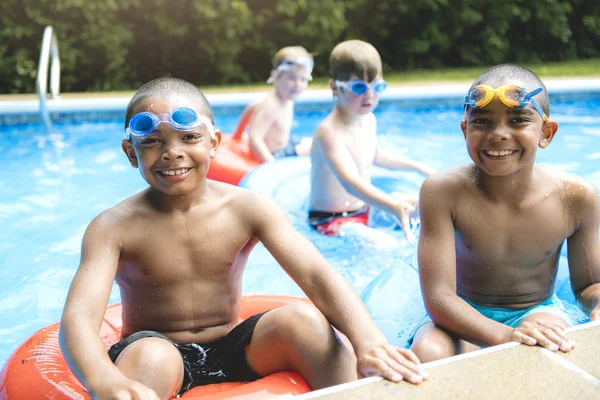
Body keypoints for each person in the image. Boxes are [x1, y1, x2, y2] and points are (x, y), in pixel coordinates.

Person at [59, 77, 428, 400]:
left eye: (189, 138)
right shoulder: (113, 226)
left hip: (235, 345)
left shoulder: (247, 208)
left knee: (305, 321)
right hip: (156, 345)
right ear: (130, 152)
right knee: (152, 358)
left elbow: (316, 274)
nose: (173, 153)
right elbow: (79, 319)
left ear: (214, 143)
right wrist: (102, 379)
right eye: (153, 141)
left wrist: (368, 340)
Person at [410, 64, 600, 363]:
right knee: (428, 353)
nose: (498, 134)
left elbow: (589, 285)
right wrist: (502, 336)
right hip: (462, 311)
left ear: (546, 133)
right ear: (465, 130)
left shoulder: (576, 198)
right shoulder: (442, 192)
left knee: (548, 339)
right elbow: (439, 297)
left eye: (517, 120)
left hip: (536, 310)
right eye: (482, 122)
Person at [309, 40, 436, 240]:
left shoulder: (368, 120)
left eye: (377, 86)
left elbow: (376, 156)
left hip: (366, 208)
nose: (369, 95)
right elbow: (350, 182)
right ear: (334, 86)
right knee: (384, 246)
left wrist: (418, 167)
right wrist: (393, 206)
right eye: (358, 87)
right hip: (331, 220)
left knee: (435, 202)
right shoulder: (329, 132)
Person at [234, 46, 313, 162]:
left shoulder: (286, 99)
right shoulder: (271, 105)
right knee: (319, 150)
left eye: (303, 79)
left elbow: (252, 106)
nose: (298, 84)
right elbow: (254, 138)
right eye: (291, 78)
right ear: (275, 76)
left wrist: (237, 135)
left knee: (317, 142)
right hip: (275, 155)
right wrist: (272, 166)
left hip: (286, 144)